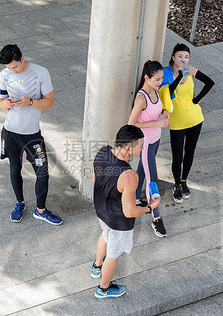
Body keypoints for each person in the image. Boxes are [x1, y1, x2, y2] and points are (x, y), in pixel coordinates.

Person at [91, 125, 161, 298]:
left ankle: (96, 266)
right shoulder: (129, 176)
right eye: (141, 146)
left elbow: (95, 180)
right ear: (129, 147)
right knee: (113, 254)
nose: (143, 148)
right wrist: (150, 207)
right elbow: (129, 212)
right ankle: (104, 289)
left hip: (101, 210)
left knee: (105, 235)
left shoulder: (102, 151)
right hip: (118, 221)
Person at [0, 44, 62, 225]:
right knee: (14, 168)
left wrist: (30, 102)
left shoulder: (41, 73)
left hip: (32, 135)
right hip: (10, 132)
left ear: (22, 59)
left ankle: (41, 210)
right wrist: (7, 104)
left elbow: (50, 102)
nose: (13, 71)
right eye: (9, 68)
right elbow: (0, 102)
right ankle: (20, 203)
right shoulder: (4, 75)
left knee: (42, 172)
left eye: (15, 67)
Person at [163, 43, 214, 203]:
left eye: (186, 57)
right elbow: (167, 93)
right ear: (173, 57)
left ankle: (184, 181)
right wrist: (179, 77)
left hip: (195, 118)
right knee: (177, 155)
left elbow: (210, 82)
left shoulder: (190, 69)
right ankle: (176, 184)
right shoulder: (166, 73)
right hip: (177, 121)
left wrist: (197, 99)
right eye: (180, 56)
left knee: (189, 152)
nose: (183, 60)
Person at [127, 60, 169, 238]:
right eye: (157, 79)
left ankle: (136, 197)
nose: (160, 82)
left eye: (161, 78)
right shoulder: (141, 98)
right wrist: (157, 122)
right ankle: (156, 218)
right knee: (153, 180)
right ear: (147, 77)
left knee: (143, 170)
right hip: (145, 143)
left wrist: (164, 112)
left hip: (156, 140)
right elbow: (131, 124)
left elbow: (157, 109)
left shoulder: (156, 91)